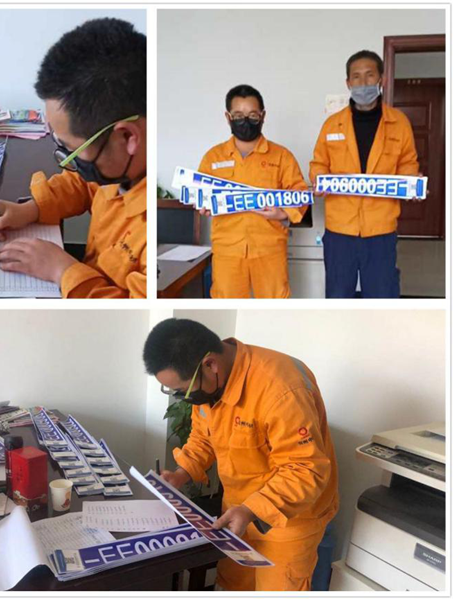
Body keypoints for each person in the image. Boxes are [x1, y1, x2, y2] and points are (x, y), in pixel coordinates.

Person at [143, 318, 339, 591]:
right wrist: (181, 474)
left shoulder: (282, 389)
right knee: (233, 585)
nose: (183, 397)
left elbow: (306, 469)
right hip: (237, 512)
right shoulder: (211, 383)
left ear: (210, 365)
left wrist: (251, 510)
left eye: (182, 390)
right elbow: (204, 436)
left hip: (290, 520)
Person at [0, 18, 147, 298]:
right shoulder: (117, 165)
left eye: (73, 150)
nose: (70, 162)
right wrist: (32, 209)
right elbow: (83, 184)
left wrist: (63, 270)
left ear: (127, 137)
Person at [309, 49, 421, 298]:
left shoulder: (399, 123)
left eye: (369, 75)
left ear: (381, 79)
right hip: (340, 230)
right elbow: (319, 163)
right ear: (348, 83)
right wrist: (318, 180)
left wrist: (412, 184)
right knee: (338, 294)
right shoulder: (332, 125)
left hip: (381, 230)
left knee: (381, 295)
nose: (363, 83)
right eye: (356, 77)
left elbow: (407, 162)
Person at [198, 85, 309, 299]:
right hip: (227, 249)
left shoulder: (281, 156)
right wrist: (202, 204)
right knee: (226, 301)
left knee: (274, 303)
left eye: (252, 115)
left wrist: (283, 213)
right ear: (228, 117)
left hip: (269, 248)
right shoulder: (213, 157)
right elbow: (200, 193)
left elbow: (300, 194)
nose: (245, 121)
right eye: (238, 116)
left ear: (263, 116)